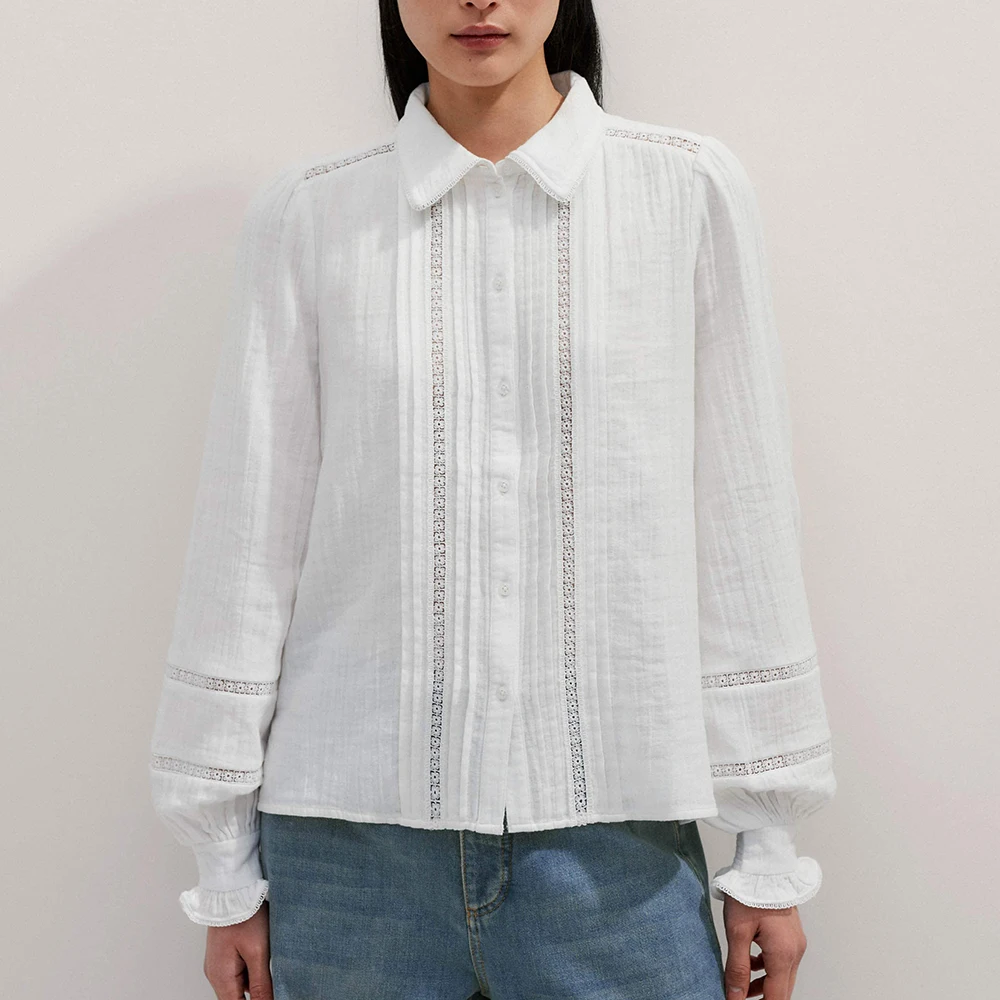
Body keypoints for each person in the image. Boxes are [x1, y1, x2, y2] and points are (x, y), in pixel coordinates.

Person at [148, 1, 837, 998]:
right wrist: (222, 862)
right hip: (346, 856)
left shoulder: (684, 189)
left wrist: (767, 843)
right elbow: (248, 533)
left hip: (617, 850)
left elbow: (743, 520)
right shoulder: (311, 214)